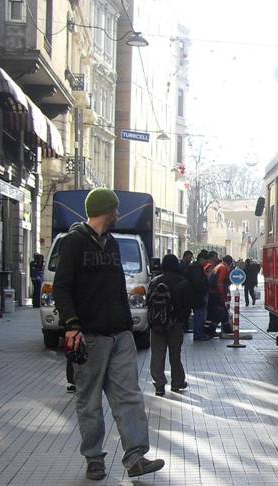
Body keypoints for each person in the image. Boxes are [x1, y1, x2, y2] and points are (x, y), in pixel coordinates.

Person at [53, 188, 164, 479]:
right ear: (105, 210)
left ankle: (136, 456)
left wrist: (127, 323)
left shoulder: (112, 243)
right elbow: (62, 287)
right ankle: (94, 458)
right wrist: (72, 325)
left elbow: (115, 286)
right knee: (89, 401)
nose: (117, 214)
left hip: (120, 334)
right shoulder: (73, 243)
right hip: (89, 336)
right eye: (114, 210)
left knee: (128, 396)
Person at [148, 254, 192, 396]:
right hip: (175, 324)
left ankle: (159, 385)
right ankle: (177, 382)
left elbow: (148, 302)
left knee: (157, 354)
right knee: (175, 354)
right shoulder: (182, 282)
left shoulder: (154, 282)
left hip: (157, 324)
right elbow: (187, 306)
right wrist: (181, 320)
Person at [208, 255, 235, 336]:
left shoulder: (219, 266)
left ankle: (227, 329)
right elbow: (220, 282)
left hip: (213, 293)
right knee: (219, 312)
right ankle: (211, 330)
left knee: (223, 312)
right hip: (216, 294)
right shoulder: (223, 268)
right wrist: (222, 295)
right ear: (230, 263)